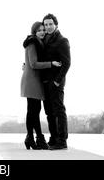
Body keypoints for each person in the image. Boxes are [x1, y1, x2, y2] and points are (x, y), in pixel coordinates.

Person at [20, 21, 62, 150]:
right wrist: (51, 63)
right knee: (33, 111)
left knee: (34, 111)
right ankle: (35, 137)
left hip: (34, 80)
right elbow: (33, 64)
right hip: (32, 80)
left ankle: (32, 137)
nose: (42, 32)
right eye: (39, 30)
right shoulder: (33, 43)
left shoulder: (38, 43)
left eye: (43, 29)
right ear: (34, 32)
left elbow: (30, 62)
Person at [41, 13, 71, 150]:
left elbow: (67, 63)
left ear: (56, 25)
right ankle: (53, 139)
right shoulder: (45, 39)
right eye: (46, 24)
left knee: (58, 110)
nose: (48, 27)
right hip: (45, 81)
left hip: (56, 81)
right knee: (49, 112)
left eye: (50, 24)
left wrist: (57, 81)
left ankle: (62, 141)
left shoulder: (62, 40)